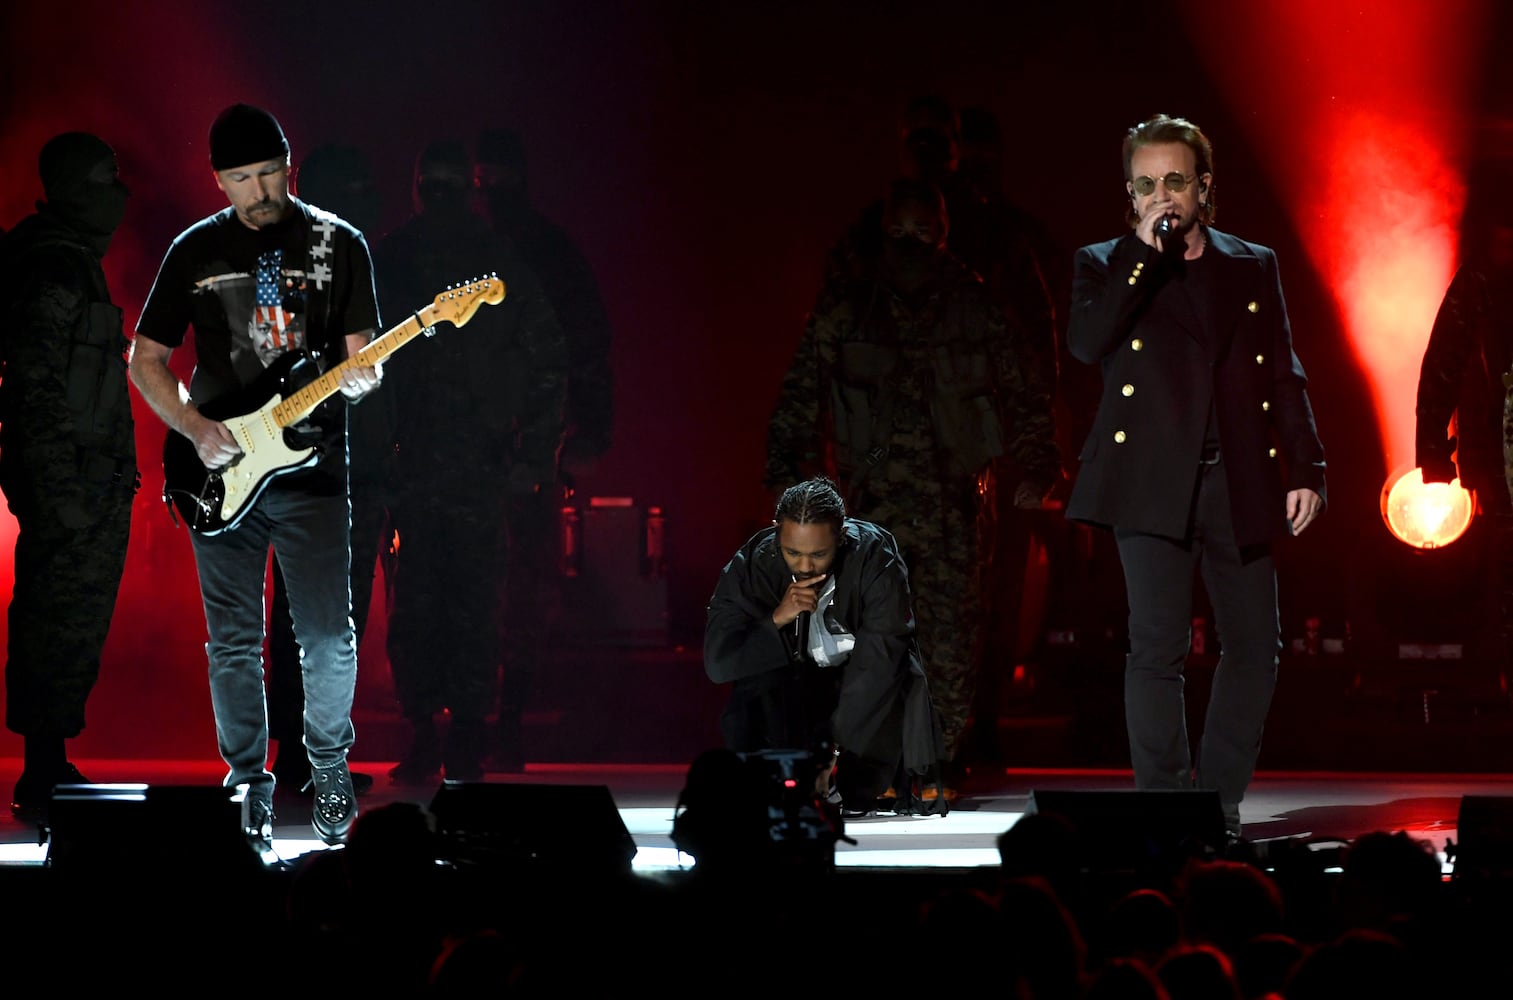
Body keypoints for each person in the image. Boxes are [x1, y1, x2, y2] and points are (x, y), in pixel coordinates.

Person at [1064, 113, 1327, 841]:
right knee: (1157, 647)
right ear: (1129, 191)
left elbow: (1283, 369)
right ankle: (1162, 806)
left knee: (1253, 645)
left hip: (1235, 476)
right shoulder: (1104, 261)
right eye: (1145, 184)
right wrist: (1143, 258)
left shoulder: (1251, 262)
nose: (1160, 195)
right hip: (1147, 481)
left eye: (1173, 180)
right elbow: (1087, 343)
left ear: (1203, 187)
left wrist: (1304, 465)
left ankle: (1213, 804)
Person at [129, 102, 380, 845]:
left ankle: (328, 768)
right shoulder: (193, 250)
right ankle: (245, 786)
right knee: (233, 640)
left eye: (269, 172)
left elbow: (358, 350)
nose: (259, 191)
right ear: (218, 180)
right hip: (223, 474)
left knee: (329, 639)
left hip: (311, 473)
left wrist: (360, 376)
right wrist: (194, 429)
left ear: (289, 163)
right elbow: (146, 359)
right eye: (242, 179)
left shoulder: (340, 243)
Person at [766, 178, 1061, 798]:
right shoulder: (850, 305)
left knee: (951, 640)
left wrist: (1037, 468)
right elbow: (801, 393)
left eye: (923, 233)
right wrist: (790, 480)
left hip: (955, 505)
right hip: (869, 505)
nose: (910, 244)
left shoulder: (972, 306)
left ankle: (935, 764)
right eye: (899, 232)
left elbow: (1025, 389)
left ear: (944, 235)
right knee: (864, 637)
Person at [379, 137, 567, 784]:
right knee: (415, 606)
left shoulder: (497, 264)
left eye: (450, 187)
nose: (439, 201)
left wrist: (533, 456)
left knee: (475, 605)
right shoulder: (395, 261)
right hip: (414, 465)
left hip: (480, 467)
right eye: (430, 187)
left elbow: (548, 361)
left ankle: (465, 732)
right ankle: (426, 729)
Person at [1, 132, 138, 820]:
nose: (119, 193)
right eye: (105, 179)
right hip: (70, 485)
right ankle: (44, 771)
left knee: (69, 623)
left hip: (84, 482)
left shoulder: (72, 261)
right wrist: (61, 491)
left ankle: (49, 765)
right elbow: (35, 388)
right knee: (54, 621)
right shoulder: (53, 267)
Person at [474, 126, 614, 770]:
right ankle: (459, 723)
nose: (491, 188)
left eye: (499, 174)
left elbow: (587, 344)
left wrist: (588, 433)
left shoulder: (549, 254)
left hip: (531, 448)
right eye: (483, 177)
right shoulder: (450, 252)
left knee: (524, 591)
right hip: (459, 449)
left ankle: (504, 721)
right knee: (452, 588)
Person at [264, 141, 390, 798]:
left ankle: (313, 755)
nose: (366, 200)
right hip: (302, 467)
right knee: (304, 620)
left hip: (351, 469)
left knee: (332, 624)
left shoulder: (364, 262)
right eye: (355, 188)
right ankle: (297, 756)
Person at [703, 476, 945, 813]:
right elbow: (719, 662)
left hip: (862, 692)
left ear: (841, 534)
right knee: (759, 689)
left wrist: (829, 755)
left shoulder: (875, 557)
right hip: (797, 690)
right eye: (792, 552)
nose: (804, 566)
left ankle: (862, 783)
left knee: (891, 677)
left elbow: (881, 659)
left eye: (818, 553)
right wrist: (776, 619)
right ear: (777, 532)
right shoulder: (753, 564)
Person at [1414, 156, 1513, 664]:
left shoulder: (1482, 274)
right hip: (1497, 457)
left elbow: (1442, 362)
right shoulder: (1483, 275)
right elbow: (1445, 361)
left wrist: (1434, 450)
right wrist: (1433, 451)